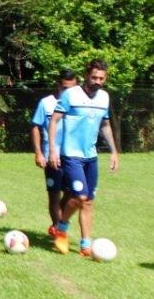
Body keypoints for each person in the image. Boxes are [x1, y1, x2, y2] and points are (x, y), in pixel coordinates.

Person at [47, 59, 119, 256]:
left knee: (88, 202)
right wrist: (53, 150)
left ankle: (86, 244)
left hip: (91, 156)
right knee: (80, 196)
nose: (97, 81)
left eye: (101, 78)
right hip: (71, 155)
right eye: (94, 77)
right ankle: (61, 228)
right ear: (87, 75)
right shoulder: (71, 95)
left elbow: (105, 125)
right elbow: (54, 121)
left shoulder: (104, 97)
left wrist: (114, 151)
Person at [30, 69, 79, 236]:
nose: (68, 92)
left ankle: (59, 225)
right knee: (54, 195)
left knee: (75, 193)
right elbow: (36, 126)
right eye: (65, 88)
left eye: (72, 88)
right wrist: (39, 153)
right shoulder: (46, 103)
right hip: (52, 157)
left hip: (72, 156)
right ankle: (59, 230)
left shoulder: (76, 104)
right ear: (58, 86)